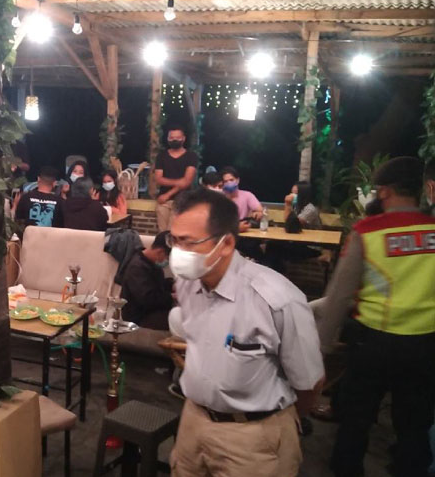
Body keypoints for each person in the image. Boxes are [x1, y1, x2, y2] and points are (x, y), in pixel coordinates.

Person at [168, 188, 324, 476]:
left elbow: (309, 383)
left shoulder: (276, 299)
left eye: (188, 242)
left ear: (226, 243)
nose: (177, 252)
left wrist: (275, 424)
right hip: (193, 419)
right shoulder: (188, 284)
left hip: (252, 436)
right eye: (174, 240)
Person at [317, 157, 435, 477]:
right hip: (425, 344)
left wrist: (321, 349)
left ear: (384, 191)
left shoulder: (368, 231)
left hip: (374, 344)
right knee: (414, 425)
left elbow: (340, 296)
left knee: (355, 420)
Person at [120, 231, 173, 329]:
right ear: (160, 252)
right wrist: (172, 297)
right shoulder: (137, 268)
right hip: (139, 317)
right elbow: (148, 299)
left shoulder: (150, 263)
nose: (168, 261)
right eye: (168, 258)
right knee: (178, 320)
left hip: (150, 311)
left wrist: (171, 284)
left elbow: (156, 285)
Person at [154, 125, 198, 232]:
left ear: (183, 138)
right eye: (171, 137)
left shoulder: (191, 156)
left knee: (174, 232)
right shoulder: (161, 156)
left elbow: (187, 182)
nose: (174, 140)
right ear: (168, 138)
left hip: (181, 201)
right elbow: (159, 179)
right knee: (162, 233)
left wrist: (168, 194)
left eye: (177, 137)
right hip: (163, 202)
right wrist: (179, 182)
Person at [220, 166, 263, 231]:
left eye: (231, 180)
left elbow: (260, 210)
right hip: (224, 231)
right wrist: (236, 228)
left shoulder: (247, 195)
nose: (229, 183)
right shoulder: (219, 197)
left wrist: (258, 213)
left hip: (244, 231)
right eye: (225, 181)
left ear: (237, 180)